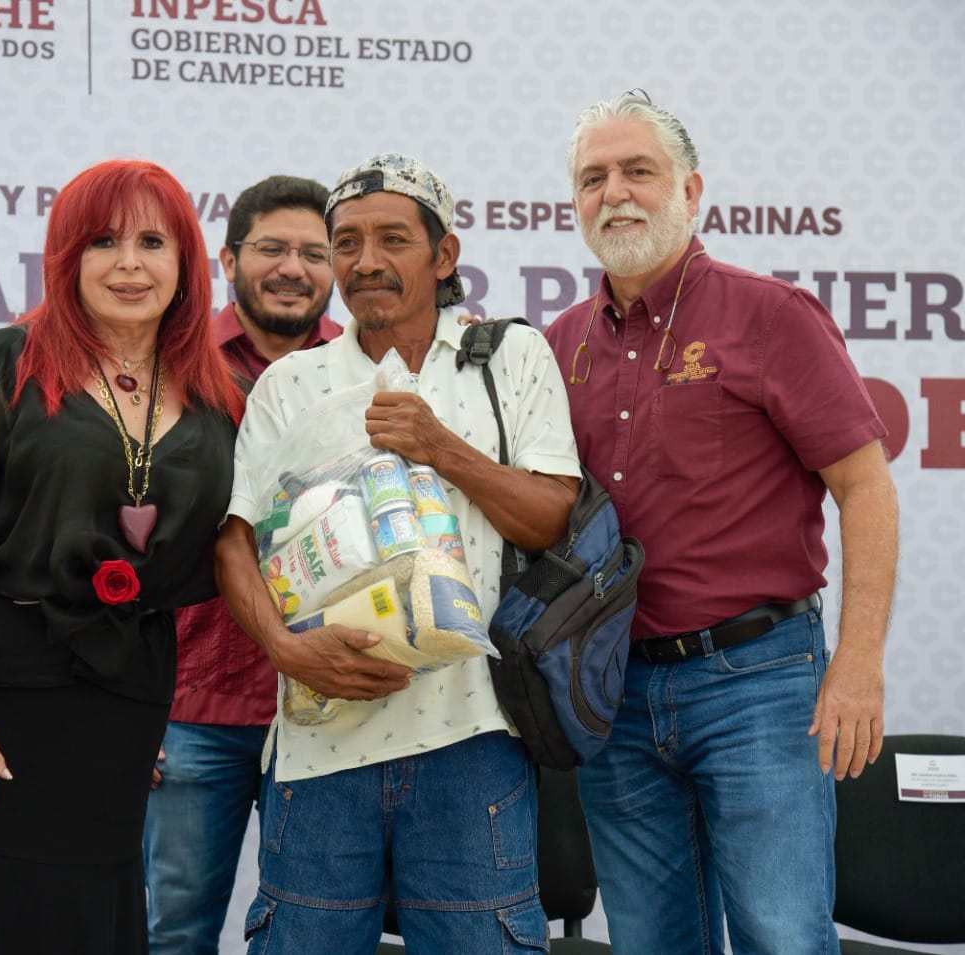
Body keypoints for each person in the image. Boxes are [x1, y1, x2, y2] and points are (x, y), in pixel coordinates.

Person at [544, 91, 898, 954]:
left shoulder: (771, 316)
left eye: (639, 171)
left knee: (783, 938)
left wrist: (856, 664)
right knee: (651, 943)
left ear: (692, 190)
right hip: (614, 695)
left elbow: (866, 486)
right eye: (594, 178)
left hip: (760, 681)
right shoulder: (558, 343)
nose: (615, 192)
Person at [214, 153, 582, 954]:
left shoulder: (511, 357)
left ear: (443, 255)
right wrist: (284, 646)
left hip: (475, 737)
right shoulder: (292, 380)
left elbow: (553, 517)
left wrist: (443, 448)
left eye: (392, 239)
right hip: (320, 742)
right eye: (346, 242)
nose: (366, 261)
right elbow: (235, 538)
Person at [0, 159, 244, 955]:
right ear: (65, 257)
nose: (129, 263)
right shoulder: (12, 361)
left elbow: (229, 557)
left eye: (154, 240)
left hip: (123, 710)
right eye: (102, 241)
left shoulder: (217, 402)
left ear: (186, 261)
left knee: (87, 911)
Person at [142, 174, 341, 955]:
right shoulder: (166, 362)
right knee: (173, 932)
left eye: (313, 252)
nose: (293, 267)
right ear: (227, 258)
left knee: (311, 937)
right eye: (272, 248)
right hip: (190, 708)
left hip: (325, 710)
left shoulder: (366, 371)